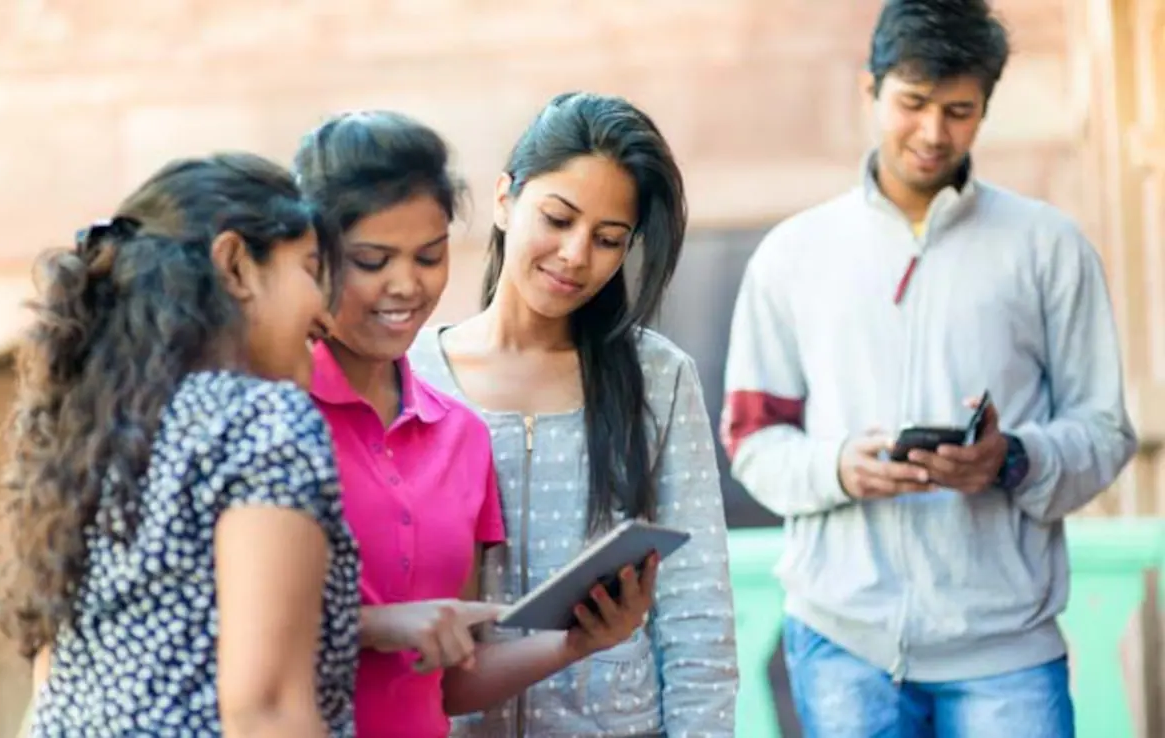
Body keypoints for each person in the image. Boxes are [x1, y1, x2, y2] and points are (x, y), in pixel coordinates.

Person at [720, 1, 1137, 735]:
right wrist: (841, 467)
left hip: (1009, 653)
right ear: (869, 90)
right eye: (912, 103)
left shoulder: (1049, 246)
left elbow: (1105, 432)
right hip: (842, 642)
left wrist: (1011, 458)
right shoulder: (793, 254)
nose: (933, 133)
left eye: (960, 110)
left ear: (985, 108)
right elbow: (752, 439)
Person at [294, 110, 659, 738]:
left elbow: (454, 683)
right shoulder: (268, 411)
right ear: (312, 258)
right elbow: (205, 623)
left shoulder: (459, 434)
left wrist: (578, 643)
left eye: (429, 256)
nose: (406, 285)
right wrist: (377, 625)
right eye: (373, 260)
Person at [0, 153, 362, 736]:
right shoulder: (262, 421)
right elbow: (264, 709)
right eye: (311, 270)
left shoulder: (95, 431)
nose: (326, 314)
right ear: (236, 265)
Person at [409, 91, 739, 737]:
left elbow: (697, 607)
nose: (576, 256)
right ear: (506, 199)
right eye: (558, 219)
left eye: (609, 238)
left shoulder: (657, 377)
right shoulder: (412, 374)